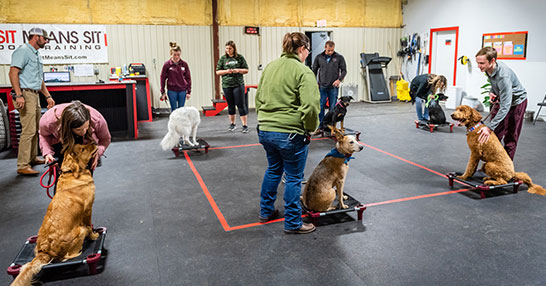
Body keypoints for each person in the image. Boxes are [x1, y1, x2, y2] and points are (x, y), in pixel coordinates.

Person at [255, 32, 320, 234]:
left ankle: (266, 211)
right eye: (307, 50)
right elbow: (310, 106)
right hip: (290, 133)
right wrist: (310, 128)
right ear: (302, 49)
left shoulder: (270, 68)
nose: (307, 54)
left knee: (274, 169)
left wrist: (266, 120)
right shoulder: (303, 71)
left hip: (265, 130)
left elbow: (258, 99)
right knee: (293, 177)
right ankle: (293, 223)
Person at [9, 27, 56, 176]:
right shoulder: (23, 50)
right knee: (28, 130)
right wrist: (18, 95)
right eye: (45, 38)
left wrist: (47, 96)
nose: (47, 41)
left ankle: (32, 158)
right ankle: (22, 164)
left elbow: (38, 79)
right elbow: (13, 72)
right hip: (25, 94)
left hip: (34, 95)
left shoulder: (36, 54)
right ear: (36, 37)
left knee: (36, 129)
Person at [475, 46, 527, 160]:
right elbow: (494, 83)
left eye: (482, 63)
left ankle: (505, 169)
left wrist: (489, 127)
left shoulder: (504, 76)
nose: (478, 66)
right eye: (478, 63)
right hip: (503, 100)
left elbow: (506, 106)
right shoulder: (489, 69)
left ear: (492, 61)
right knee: (494, 135)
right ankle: (491, 165)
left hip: (516, 103)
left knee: (510, 137)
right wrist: (492, 92)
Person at [39, 101, 111, 172]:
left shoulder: (97, 119)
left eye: (86, 127)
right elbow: (43, 135)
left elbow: (105, 139)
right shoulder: (49, 121)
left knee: (86, 174)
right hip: (61, 142)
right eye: (79, 130)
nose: (83, 132)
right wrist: (47, 153)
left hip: (87, 143)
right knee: (61, 173)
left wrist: (98, 152)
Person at [312, 40, 347, 133]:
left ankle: (331, 127)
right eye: (328, 50)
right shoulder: (319, 57)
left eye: (332, 50)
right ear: (325, 48)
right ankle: (320, 127)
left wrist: (339, 80)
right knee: (321, 107)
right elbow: (314, 70)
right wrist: (314, 82)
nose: (330, 52)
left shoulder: (339, 57)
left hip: (333, 87)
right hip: (322, 87)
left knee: (333, 109)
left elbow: (344, 70)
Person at [216, 41, 250, 133]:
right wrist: (227, 71)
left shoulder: (239, 58)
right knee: (230, 105)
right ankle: (232, 124)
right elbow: (218, 72)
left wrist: (237, 70)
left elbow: (246, 70)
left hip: (238, 84)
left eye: (230, 48)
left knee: (240, 104)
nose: (228, 50)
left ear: (234, 49)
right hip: (227, 85)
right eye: (227, 48)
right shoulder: (223, 59)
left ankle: (244, 125)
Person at [160, 42, 192, 111]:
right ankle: (174, 122)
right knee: (174, 110)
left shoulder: (184, 64)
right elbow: (162, 78)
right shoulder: (167, 65)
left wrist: (188, 91)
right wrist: (163, 92)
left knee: (181, 110)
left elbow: (188, 78)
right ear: (171, 54)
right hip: (172, 91)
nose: (176, 57)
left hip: (182, 90)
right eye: (175, 55)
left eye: (178, 55)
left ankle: (181, 122)